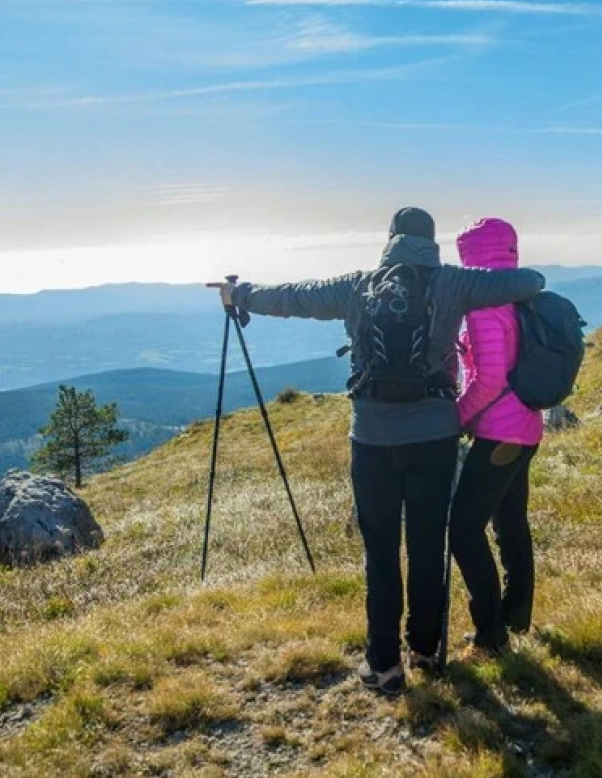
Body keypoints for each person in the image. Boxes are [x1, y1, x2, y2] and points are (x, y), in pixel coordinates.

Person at [211, 207, 544, 696]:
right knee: (428, 546)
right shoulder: (453, 282)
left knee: (381, 552)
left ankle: (384, 666)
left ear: (389, 239)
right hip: (434, 437)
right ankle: (427, 652)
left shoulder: (357, 285)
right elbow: (530, 282)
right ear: (431, 243)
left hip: (370, 439)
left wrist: (241, 294)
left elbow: (295, 298)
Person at [448, 218, 543, 658]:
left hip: (499, 435)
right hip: (526, 428)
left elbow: (487, 380)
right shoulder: (522, 295)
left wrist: (457, 419)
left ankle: (491, 635)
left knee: (464, 529)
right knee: (510, 524)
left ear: (471, 257)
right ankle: (517, 618)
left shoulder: (486, 306)